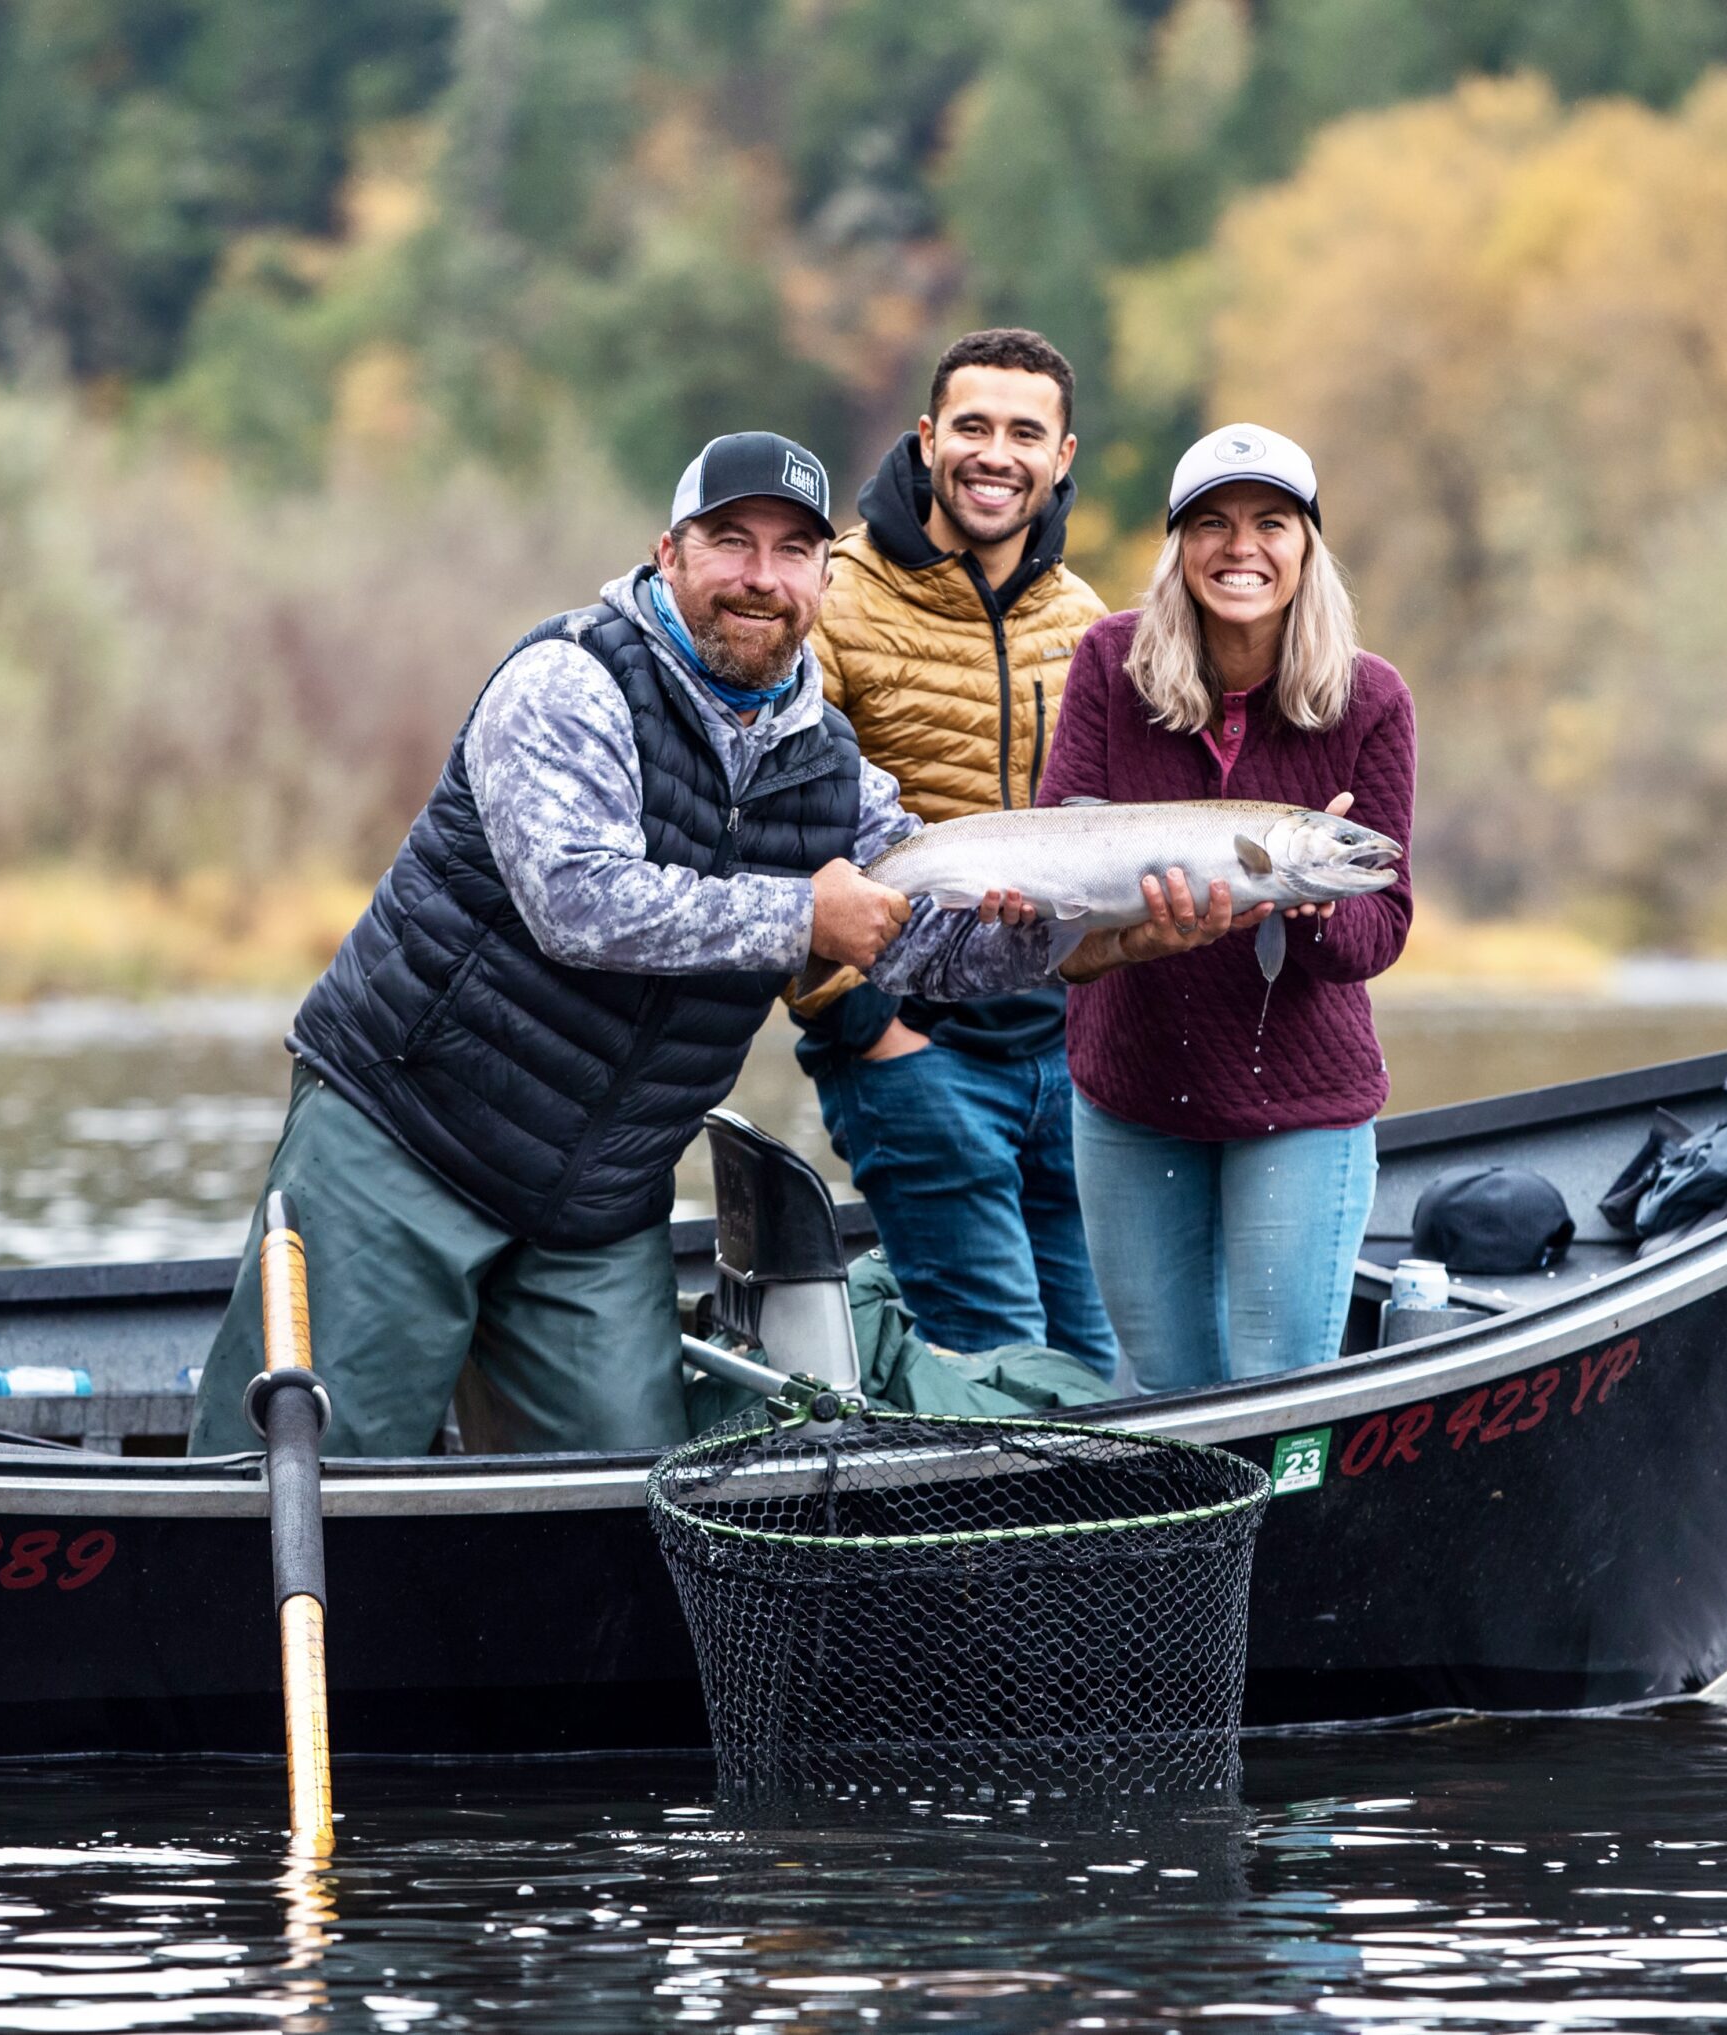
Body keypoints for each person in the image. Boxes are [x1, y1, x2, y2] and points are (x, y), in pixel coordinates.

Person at [186, 432, 1057, 1458]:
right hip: (405, 1139)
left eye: (790, 552)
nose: (759, 577)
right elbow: (579, 903)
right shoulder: (571, 678)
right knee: (299, 1478)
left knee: (624, 1511)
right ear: (669, 552)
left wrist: (1058, 932)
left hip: (595, 1202)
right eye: (730, 541)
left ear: (824, 576)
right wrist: (799, 917)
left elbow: (920, 955)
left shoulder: (830, 763)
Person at [1038, 424, 1415, 1388]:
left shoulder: (1372, 700)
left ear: (1306, 547)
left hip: (1302, 1101)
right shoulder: (1110, 666)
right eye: (1210, 522)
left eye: (1270, 522)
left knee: (1278, 1394)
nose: (1240, 546)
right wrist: (1134, 935)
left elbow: (1383, 926)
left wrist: (1309, 897)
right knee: (1167, 1401)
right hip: (1130, 1092)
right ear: (1176, 547)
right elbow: (1060, 894)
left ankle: (1278, 1548)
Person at [794, 329, 1119, 1374]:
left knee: (1094, 1363)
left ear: (1062, 456)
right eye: (972, 426)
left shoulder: (1085, 621)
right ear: (929, 436)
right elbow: (769, 828)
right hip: (916, 1050)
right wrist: (865, 1023)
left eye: (1026, 432)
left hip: (1068, 1053)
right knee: (1002, 1372)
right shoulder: (831, 599)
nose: (996, 453)